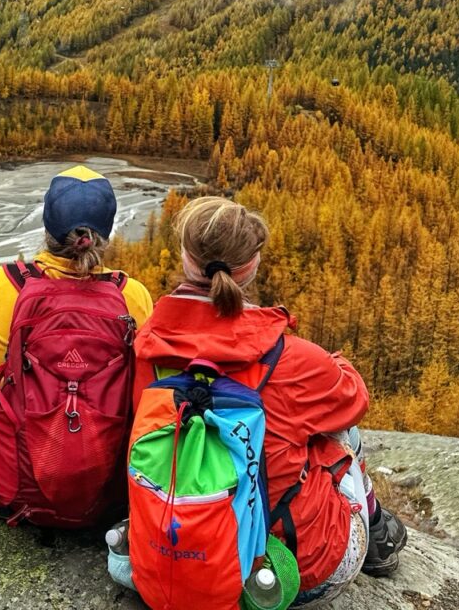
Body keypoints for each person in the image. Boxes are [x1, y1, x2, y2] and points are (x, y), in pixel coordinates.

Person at [132, 196, 406, 604]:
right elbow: (354, 396)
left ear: (186, 260)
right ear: (251, 267)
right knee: (342, 430)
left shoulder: (147, 345)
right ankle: (379, 535)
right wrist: (331, 361)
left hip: (171, 555)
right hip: (294, 567)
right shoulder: (289, 357)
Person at [0, 165, 153, 512]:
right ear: (106, 235)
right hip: (104, 495)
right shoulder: (132, 296)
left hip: (5, 492)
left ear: (46, 228)